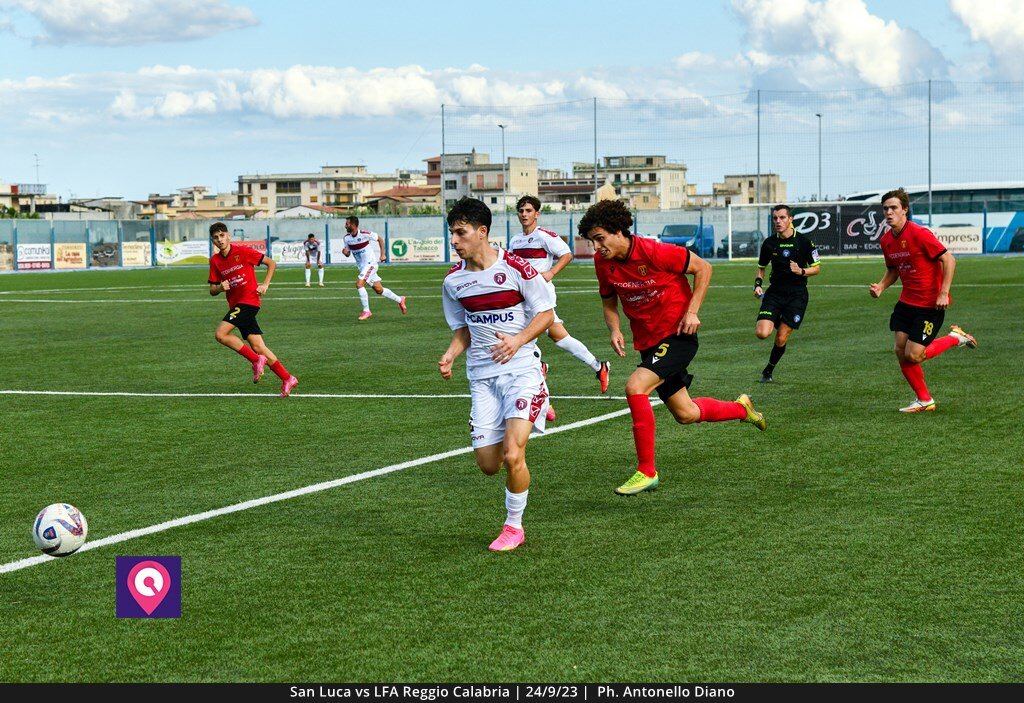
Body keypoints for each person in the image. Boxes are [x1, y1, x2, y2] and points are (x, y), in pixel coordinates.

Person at [578, 200, 766, 496]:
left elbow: (702, 268)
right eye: (592, 241)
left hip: (678, 336)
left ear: (618, 231)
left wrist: (692, 311)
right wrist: (614, 329)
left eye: (600, 238)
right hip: (649, 343)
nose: (596, 246)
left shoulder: (654, 251)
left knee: (635, 386)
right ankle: (742, 409)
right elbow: (607, 300)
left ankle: (646, 471)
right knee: (686, 413)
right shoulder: (603, 263)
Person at [438, 197, 555, 551]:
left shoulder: (518, 269)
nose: (454, 241)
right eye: (451, 233)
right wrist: (451, 355)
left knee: (513, 454)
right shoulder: (453, 282)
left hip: (521, 370)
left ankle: (513, 527)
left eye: (461, 233)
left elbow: (546, 314)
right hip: (482, 377)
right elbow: (463, 329)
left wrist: (519, 340)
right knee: (489, 465)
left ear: (482, 232)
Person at [869, 188, 977, 412]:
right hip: (906, 303)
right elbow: (893, 270)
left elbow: (949, 260)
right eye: (885, 209)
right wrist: (881, 286)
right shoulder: (887, 241)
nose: (889, 212)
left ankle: (955, 338)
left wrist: (943, 292)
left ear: (905, 210)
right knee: (901, 351)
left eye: (893, 208)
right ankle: (925, 400)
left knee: (914, 354)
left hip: (930, 305)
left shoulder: (919, 233)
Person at [509, 195, 611, 423]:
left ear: (537, 214)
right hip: (522, 297)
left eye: (528, 210)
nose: (524, 214)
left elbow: (567, 254)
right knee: (559, 337)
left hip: (539, 297)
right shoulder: (515, 241)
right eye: (521, 210)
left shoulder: (544, 236)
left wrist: (550, 273)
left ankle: (543, 395)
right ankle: (599, 366)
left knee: (524, 342)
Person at [208, 222, 298, 397]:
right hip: (236, 306)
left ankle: (256, 360)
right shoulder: (215, 261)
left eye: (222, 236)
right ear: (213, 241)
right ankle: (287, 378)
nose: (220, 240)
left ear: (228, 236)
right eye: (216, 238)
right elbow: (212, 290)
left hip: (249, 302)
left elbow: (271, 263)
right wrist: (219, 288)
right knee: (259, 346)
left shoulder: (243, 251)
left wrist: (265, 285)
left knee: (221, 334)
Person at [754, 204, 821, 383]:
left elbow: (817, 268)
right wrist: (757, 285)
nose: (778, 221)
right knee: (762, 333)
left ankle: (768, 371)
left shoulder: (805, 242)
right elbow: (761, 268)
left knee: (782, 336)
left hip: (797, 295)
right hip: (774, 293)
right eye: (775, 218)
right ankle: (782, 319)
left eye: (782, 218)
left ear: (790, 219)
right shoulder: (769, 243)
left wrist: (801, 271)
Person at [342, 216, 406, 321]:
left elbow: (380, 239)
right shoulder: (346, 238)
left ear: (353, 225)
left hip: (371, 264)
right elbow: (347, 252)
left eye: (347, 224)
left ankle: (366, 310)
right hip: (362, 267)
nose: (345, 226)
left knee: (359, 284)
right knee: (379, 290)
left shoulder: (364, 234)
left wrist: (383, 255)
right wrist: (345, 252)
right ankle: (400, 299)